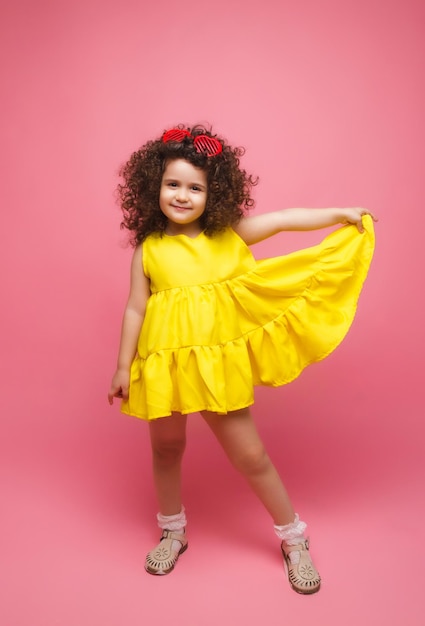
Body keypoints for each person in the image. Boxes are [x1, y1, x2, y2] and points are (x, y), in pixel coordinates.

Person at [108, 125, 375, 594]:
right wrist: (121, 366)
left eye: (196, 187)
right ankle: (173, 531)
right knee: (166, 449)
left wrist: (341, 213)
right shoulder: (149, 249)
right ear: (153, 188)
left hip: (215, 366)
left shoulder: (228, 235)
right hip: (163, 364)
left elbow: (285, 219)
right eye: (173, 184)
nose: (183, 196)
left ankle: (294, 539)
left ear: (215, 194)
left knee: (250, 454)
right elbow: (136, 308)